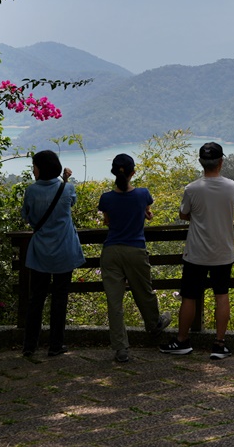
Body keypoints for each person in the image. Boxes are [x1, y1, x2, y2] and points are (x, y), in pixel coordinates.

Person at [161, 142, 234, 359]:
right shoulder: (232, 186)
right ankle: (219, 344)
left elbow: (184, 214)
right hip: (223, 251)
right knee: (221, 296)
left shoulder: (191, 189)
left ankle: (182, 340)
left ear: (200, 162)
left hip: (196, 252)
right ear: (221, 162)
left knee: (189, 296)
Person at [98, 153, 170, 363]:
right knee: (144, 292)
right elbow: (147, 213)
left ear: (113, 172)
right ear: (133, 173)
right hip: (136, 250)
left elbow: (108, 222)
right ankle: (154, 326)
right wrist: (145, 215)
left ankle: (121, 349)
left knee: (115, 303)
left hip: (111, 252)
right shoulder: (143, 194)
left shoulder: (106, 198)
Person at [22, 150, 86, 357]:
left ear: (41, 169)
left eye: (35, 167)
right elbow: (70, 201)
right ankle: (55, 345)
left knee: (36, 299)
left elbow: (28, 216)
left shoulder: (31, 191)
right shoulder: (67, 188)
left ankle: (30, 345)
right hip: (64, 251)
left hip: (40, 252)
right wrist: (64, 180)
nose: (33, 170)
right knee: (60, 298)